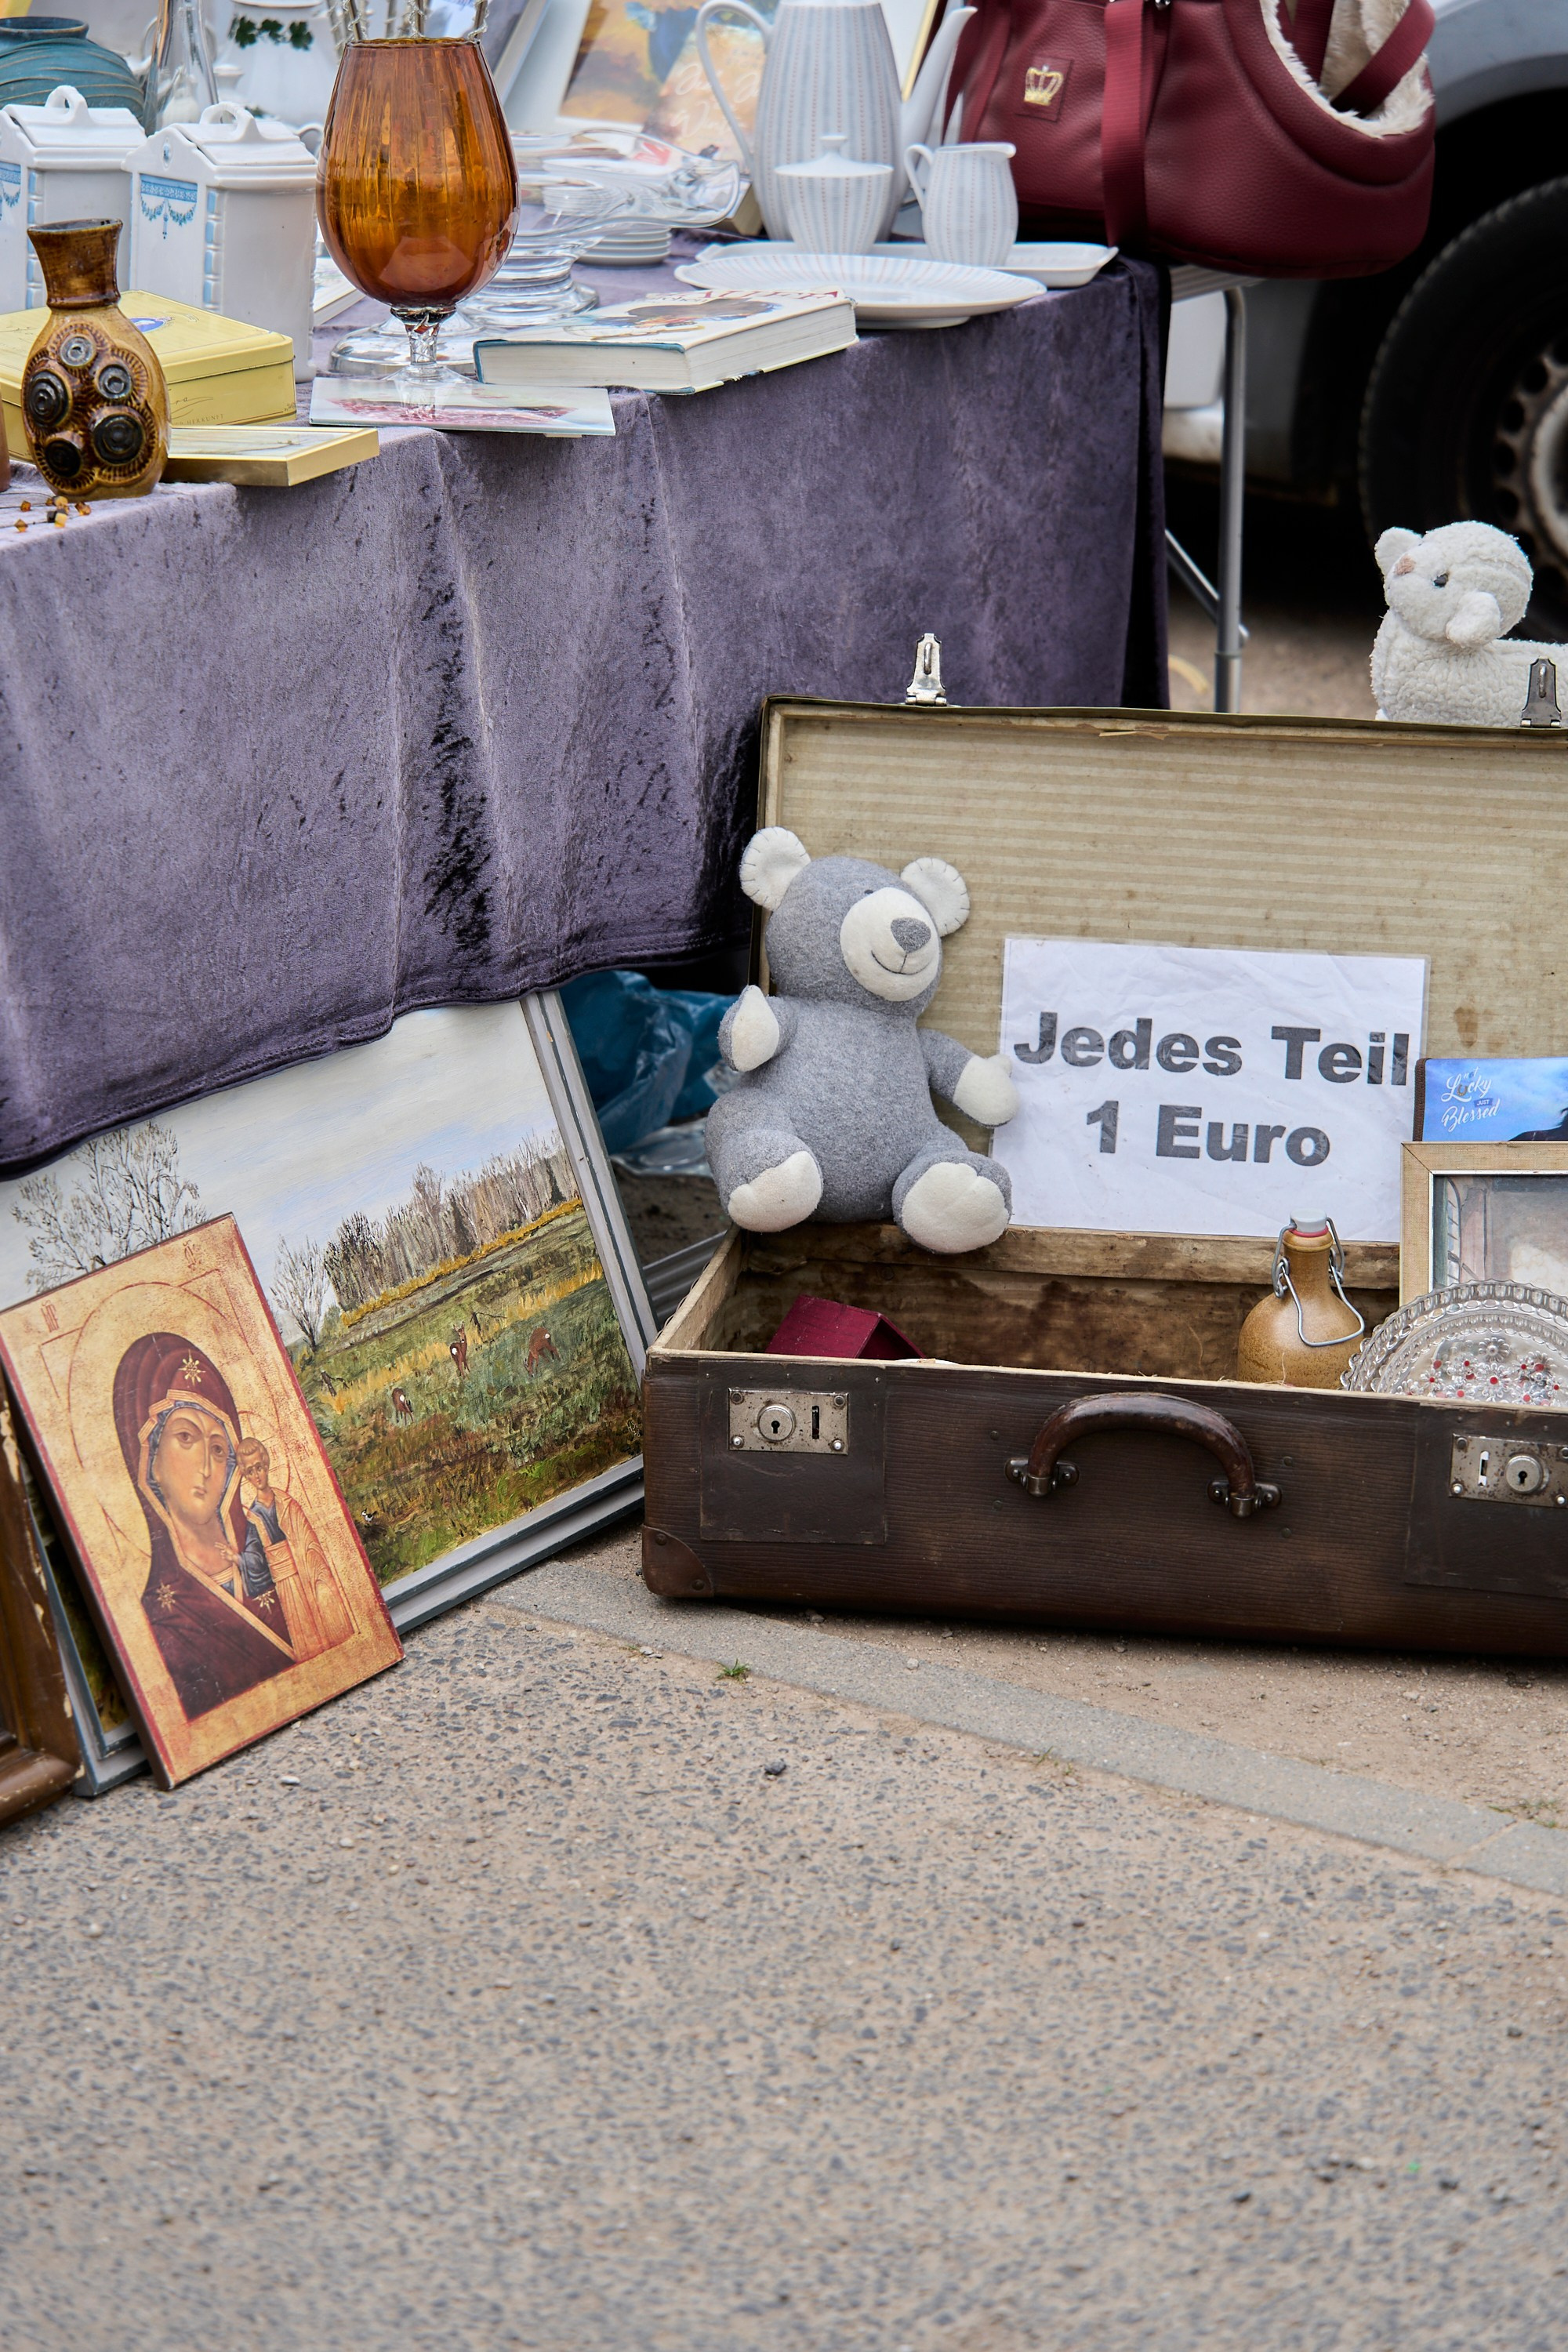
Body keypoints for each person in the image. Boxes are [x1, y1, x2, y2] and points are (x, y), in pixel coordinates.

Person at [111, 1333, 349, 1722]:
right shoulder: (162, 1617)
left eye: (220, 1448)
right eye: (185, 1437)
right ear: (147, 1456)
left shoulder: (262, 1531)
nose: (207, 1466)